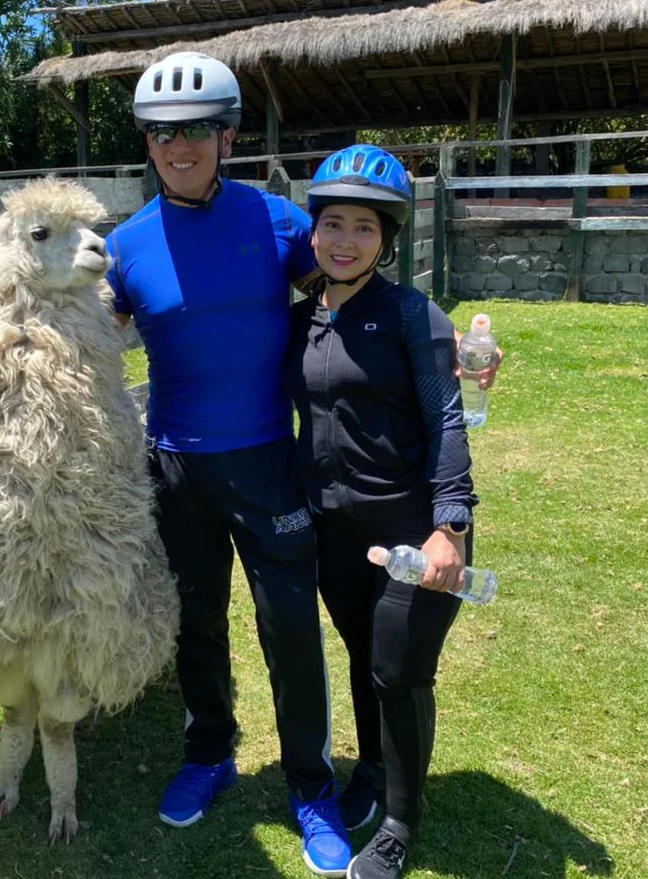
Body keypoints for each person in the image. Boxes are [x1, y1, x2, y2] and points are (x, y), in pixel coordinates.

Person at [106, 51, 352, 877]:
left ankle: (311, 785)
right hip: (175, 467)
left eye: (198, 129)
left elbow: (350, 295)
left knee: (289, 624)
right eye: (163, 132)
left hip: (267, 461)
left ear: (227, 135)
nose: (180, 145)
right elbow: (79, 340)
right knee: (196, 621)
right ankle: (209, 751)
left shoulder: (279, 222)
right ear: (148, 142)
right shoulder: (126, 247)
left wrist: (440, 346)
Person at [285, 144, 479, 879]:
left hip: (413, 528)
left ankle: (400, 821)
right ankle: (372, 767)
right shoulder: (302, 320)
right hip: (335, 527)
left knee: (398, 669)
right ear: (314, 232)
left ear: (387, 238)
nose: (344, 240)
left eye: (364, 228)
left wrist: (449, 526)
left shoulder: (410, 314)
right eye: (332, 223)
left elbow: (447, 420)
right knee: (365, 657)